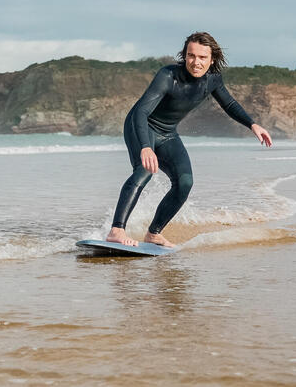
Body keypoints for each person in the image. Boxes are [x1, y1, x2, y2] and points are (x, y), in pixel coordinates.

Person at [107, 32, 272, 248]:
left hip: (167, 133)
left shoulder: (212, 80)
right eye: (191, 56)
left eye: (202, 57)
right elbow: (141, 111)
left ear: (212, 59)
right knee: (144, 171)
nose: (196, 62)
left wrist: (253, 124)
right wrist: (146, 147)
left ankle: (154, 233)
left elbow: (229, 104)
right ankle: (116, 231)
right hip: (141, 126)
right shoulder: (168, 75)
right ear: (185, 55)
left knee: (185, 183)